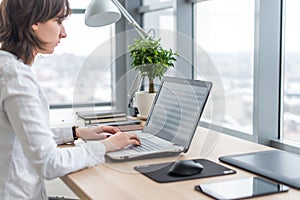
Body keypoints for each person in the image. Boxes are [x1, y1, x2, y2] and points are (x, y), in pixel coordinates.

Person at [0, 0, 141, 199]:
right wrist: (107, 146)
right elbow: (50, 163)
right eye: (58, 21)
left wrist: (76, 132)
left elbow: (21, 133)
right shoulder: (16, 77)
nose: (64, 33)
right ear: (34, 23)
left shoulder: (5, 67)